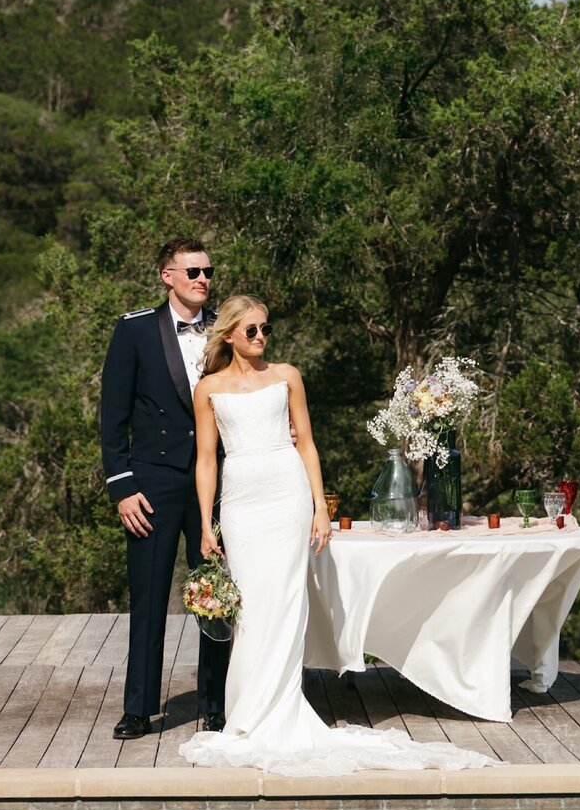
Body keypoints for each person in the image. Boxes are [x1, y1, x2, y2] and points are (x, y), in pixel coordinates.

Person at [179, 296, 496, 774]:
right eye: (251, 331)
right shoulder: (208, 389)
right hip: (242, 501)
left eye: (266, 328)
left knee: (287, 604)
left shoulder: (287, 376)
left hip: (286, 496)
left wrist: (318, 509)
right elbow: (206, 458)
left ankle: (281, 711)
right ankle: (247, 715)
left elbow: (306, 442)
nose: (262, 337)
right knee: (251, 609)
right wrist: (206, 522)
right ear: (229, 336)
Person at [100, 238, 229, 738]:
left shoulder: (227, 327)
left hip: (214, 479)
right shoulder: (133, 330)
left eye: (208, 271)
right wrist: (121, 487)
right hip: (151, 481)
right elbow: (113, 416)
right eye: (192, 271)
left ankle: (216, 702)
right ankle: (138, 708)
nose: (202, 279)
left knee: (216, 591)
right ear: (167, 276)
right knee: (149, 595)